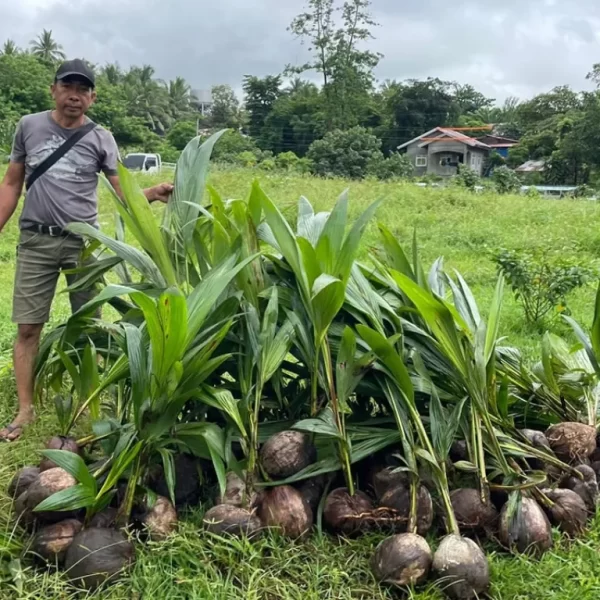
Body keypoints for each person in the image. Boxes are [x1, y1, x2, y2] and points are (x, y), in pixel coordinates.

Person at [0, 59, 173, 441]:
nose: (73, 95)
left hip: (84, 243)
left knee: (89, 325)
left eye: (82, 89)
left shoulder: (102, 138)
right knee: (28, 327)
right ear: (54, 90)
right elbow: (12, 183)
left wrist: (153, 195)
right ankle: (25, 409)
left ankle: (88, 398)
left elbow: (121, 193)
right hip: (36, 240)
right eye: (67, 86)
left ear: (91, 98)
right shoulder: (28, 126)